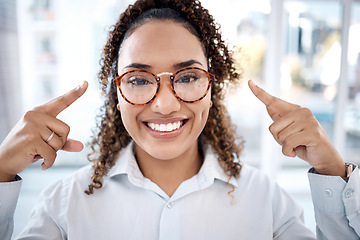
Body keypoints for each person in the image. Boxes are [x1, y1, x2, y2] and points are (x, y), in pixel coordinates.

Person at [0, 0, 359, 239]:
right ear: (116, 95)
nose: (165, 104)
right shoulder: (63, 205)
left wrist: (332, 172)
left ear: (211, 86)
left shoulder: (265, 200)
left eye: (187, 77)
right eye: (139, 80)